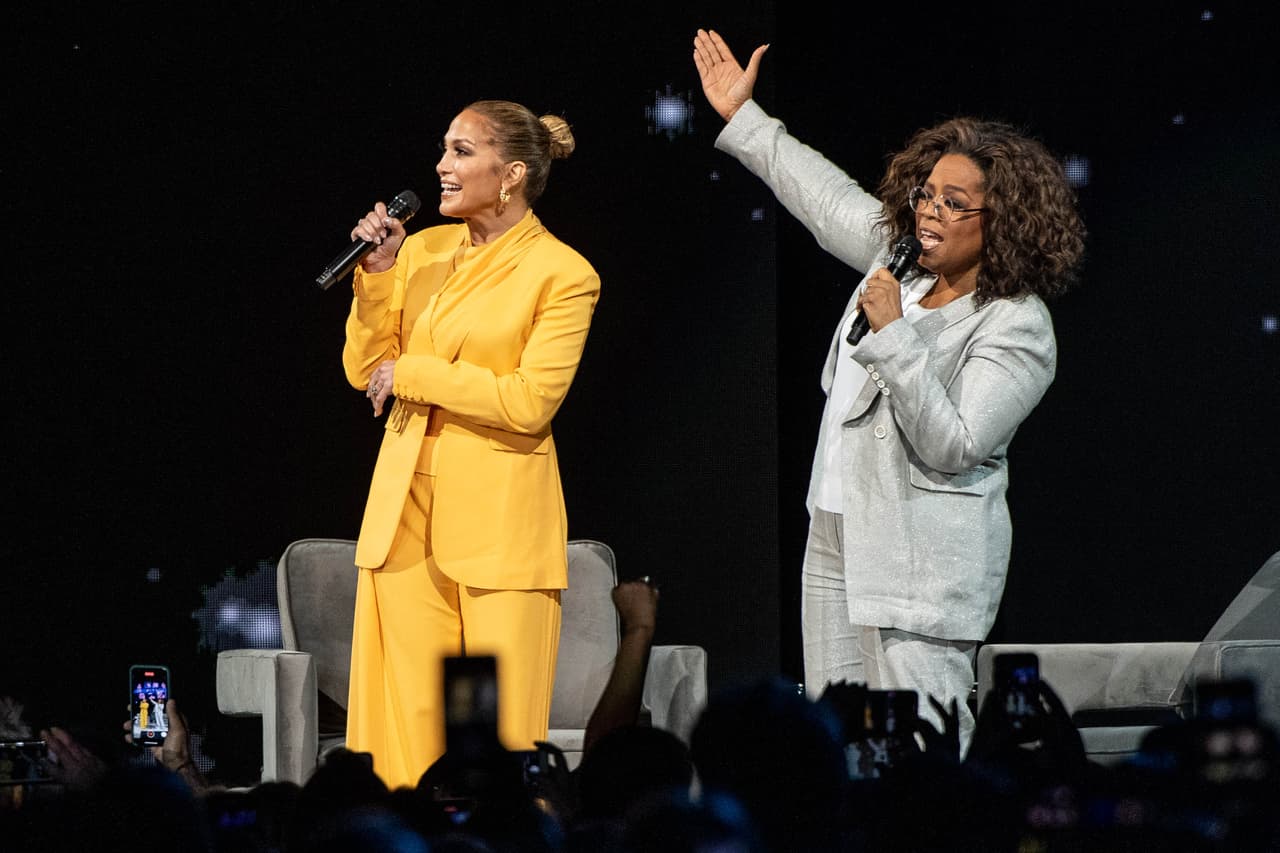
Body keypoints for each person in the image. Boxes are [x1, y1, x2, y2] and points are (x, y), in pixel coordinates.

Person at [693, 29, 1085, 747]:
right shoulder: (898, 261)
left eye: (953, 203)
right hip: (836, 530)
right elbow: (824, 198)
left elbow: (954, 444)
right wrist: (744, 118)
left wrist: (895, 333)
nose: (928, 211)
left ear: (1002, 223)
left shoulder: (1016, 323)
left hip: (919, 565)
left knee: (922, 748)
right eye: (925, 193)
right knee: (842, 740)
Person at [342, 100, 601, 790]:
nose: (441, 166)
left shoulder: (564, 273)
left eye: (461, 151)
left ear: (511, 174)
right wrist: (378, 277)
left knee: (498, 741)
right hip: (404, 515)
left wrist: (415, 375)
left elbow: (529, 401)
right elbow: (365, 369)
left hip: (499, 528)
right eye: (444, 149)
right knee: (410, 732)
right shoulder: (421, 250)